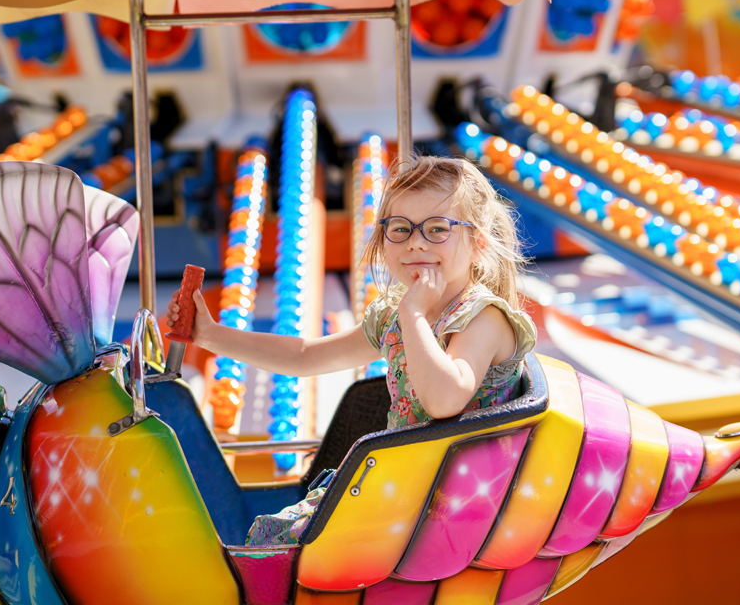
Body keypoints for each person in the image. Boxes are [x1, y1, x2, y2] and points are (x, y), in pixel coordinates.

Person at [166, 155, 537, 545]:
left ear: (478, 244)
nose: (416, 242)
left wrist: (414, 313)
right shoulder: (394, 315)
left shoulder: (483, 318)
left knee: (289, 546)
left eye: (437, 229)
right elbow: (305, 356)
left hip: (453, 503)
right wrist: (210, 336)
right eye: (401, 228)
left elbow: (444, 400)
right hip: (406, 486)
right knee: (268, 535)